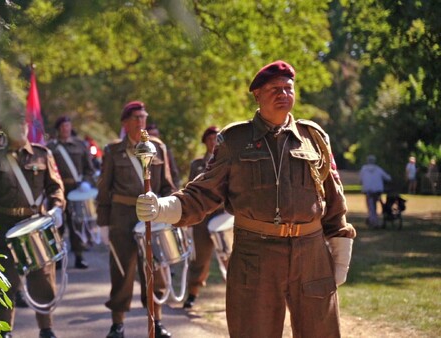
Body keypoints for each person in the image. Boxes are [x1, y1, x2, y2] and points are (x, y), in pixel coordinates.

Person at [136, 60, 356, 338]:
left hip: (311, 254)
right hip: (256, 255)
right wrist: (162, 208)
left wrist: (340, 255)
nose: (283, 94)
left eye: (288, 88)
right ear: (258, 95)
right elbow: (204, 192)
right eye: (274, 89)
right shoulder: (235, 140)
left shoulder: (314, 137)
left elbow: (334, 199)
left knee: (322, 333)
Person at [0, 114, 65, 338]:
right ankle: (5, 330)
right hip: (4, 226)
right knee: (5, 281)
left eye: (22, 124)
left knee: (43, 279)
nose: (20, 128)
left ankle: (46, 329)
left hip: (35, 224)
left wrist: (57, 208)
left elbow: (55, 187)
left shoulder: (41, 154)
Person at [96, 101, 177, 338]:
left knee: (155, 270)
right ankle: (117, 324)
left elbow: (167, 185)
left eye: (143, 117)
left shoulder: (158, 148)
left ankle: (157, 321)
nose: (141, 122)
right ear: (125, 123)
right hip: (122, 216)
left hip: (152, 216)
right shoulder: (113, 151)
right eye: (136, 118)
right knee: (121, 271)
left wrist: (170, 213)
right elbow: (104, 189)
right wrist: (102, 222)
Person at [182, 126, 224, 309]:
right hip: (201, 217)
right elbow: (191, 191)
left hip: (223, 216)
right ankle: (192, 294)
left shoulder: (227, 161)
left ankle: (236, 296)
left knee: (230, 257)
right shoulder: (197, 164)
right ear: (205, 142)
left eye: (216, 138)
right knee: (199, 259)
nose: (213, 142)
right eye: (210, 139)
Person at [47, 116, 97, 269]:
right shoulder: (51, 148)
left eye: (67, 126)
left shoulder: (80, 145)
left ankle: (79, 256)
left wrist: (87, 183)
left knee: (78, 223)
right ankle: (58, 257)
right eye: (62, 126)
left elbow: (89, 168)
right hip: (58, 190)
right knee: (57, 225)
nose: (65, 129)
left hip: (77, 190)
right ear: (58, 129)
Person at [359, 155, 392, 228]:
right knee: (374, 205)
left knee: (370, 206)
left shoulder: (364, 169)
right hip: (377, 191)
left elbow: (360, 179)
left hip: (368, 190)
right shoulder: (378, 169)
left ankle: (373, 221)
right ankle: (374, 220)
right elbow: (387, 178)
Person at [146, 123, 181, 189]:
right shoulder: (141, 151)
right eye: (151, 135)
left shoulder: (165, 151)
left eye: (155, 135)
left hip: (162, 193)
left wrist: (174, 190)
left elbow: (174, 173)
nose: (154, 138)